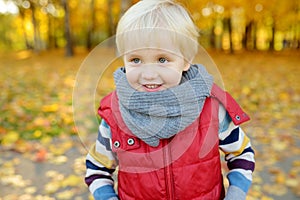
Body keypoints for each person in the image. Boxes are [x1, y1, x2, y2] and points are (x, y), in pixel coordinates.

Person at [84, 0, 255, 199]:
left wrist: (236, 194)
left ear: (186, 60)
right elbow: (97, 169)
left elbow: (241, 153)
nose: (148, 74)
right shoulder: (115, 115)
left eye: (162, 60)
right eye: (135, 60)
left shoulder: (211, 109)